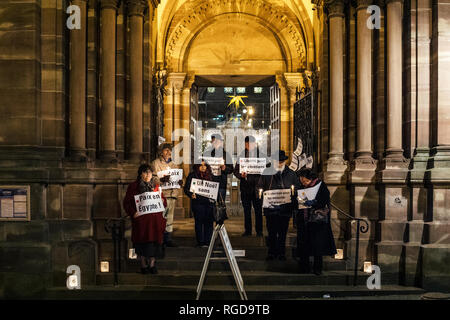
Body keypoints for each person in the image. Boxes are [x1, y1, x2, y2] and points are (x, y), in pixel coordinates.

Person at [123, 164, 167, 274]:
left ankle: (152, 264)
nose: (148, 175)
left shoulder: (156, 187)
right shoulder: (134, 186)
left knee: (154, 244)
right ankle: (143, 265)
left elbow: (163, 202)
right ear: (140, 174)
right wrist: (133, 213)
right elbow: (127, 203)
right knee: (141, 243)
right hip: (141, 222)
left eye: (150, 172)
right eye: (145, 172)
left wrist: (162, 201)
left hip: (155, 222)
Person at [257, 150, 301, 261]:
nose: (279, 163)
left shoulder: (291, 173)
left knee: (282, 232)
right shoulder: (267, 172)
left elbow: (297, 187)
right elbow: (259, 186)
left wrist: (292, 192)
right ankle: (271, 252)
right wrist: (260, 193)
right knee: (271, 232)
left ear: (284, 161)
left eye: (281, 161)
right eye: (277, 161)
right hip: (271, 209)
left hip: (284, 209)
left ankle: (281, 253)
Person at [295, 168, 337, 275]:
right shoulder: (301, 187)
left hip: (316, 221)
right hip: (304, 221)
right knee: (304, 245)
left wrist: (314, 203)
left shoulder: (321, 186)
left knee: (317, 246)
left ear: (311, 178)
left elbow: (325, 200)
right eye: (302, 180)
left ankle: (317, 268)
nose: (303, 182)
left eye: (305, 180)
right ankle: (304, 268)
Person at [233, 136, 266, 237]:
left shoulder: (261, 155)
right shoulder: (241, 156)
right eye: (247, 144)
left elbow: (267, 168)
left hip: (257, 188)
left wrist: (262, 172)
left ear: (254, 144)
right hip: (246, 187)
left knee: (258, 211)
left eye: (250, 144)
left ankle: (259, 231)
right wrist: (240, 175)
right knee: (247, 211)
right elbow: (235, 170)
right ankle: (248, 231)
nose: (249, 146)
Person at [152, 143, 183, 248]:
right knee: (161, 217)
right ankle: (159, 238)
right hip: (162, 194)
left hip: (172, 194)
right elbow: (153, 178)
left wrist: (179, 183)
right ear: (161, 152)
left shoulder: (174, 165)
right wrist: (161, 180)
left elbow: (177, 178)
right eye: (166, 150)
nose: (168, 152)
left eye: (170, 151)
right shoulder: (156, 163)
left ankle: (168, 238)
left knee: (170, 217)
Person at [184, 159, 216, 247]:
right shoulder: (192, 175)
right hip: (198, 203)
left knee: (209, 223)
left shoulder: (211, 176)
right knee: (199, 222)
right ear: (197, 166)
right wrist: (191, 195)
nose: (203, 167)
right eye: (201, 165)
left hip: (209, 204)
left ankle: (208, 241)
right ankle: (200, 242)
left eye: (204, 165)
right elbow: (186, 188)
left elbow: (215, 188)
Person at [204, 133, 233, 203]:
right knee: (210, 205)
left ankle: (221, 214)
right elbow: (202, 165)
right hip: (210, 183)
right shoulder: (207, 154)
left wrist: (225, 168)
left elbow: (231, 169)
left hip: (221, 184)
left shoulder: (226, 154)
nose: (215, 143)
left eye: (217, 141)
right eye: (213, 141)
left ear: (220, 142)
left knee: (221, 205)